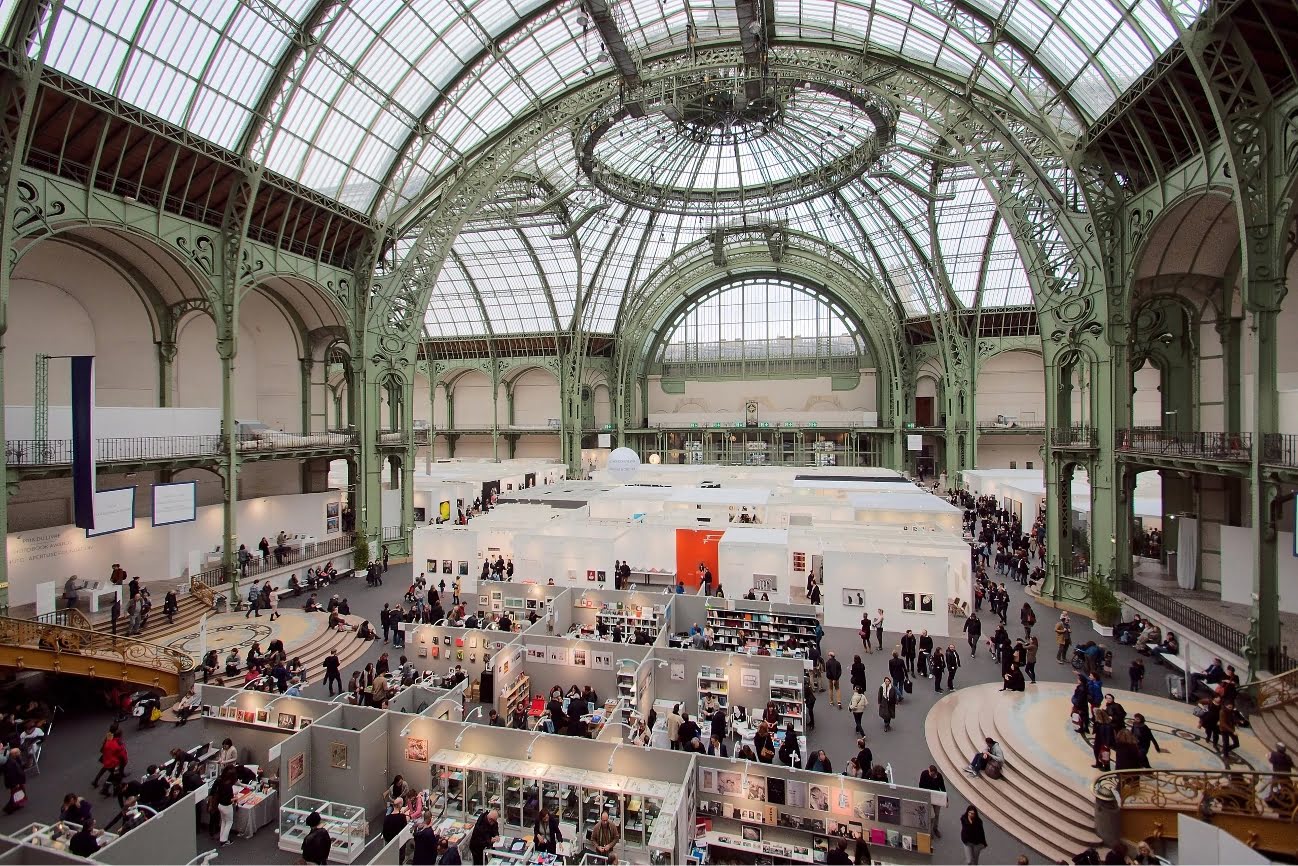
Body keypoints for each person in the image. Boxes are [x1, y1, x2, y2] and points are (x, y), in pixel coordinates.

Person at [918, 765, 946, 837]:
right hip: (928, 797)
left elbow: (942, 787)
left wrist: (945, 798)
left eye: (932, 774)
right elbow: (920, 786)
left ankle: (935, 829)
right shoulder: (924, 774)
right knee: (931, 815)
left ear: (935, 773)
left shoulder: (939, 776)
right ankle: (930, 831)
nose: (930, 774)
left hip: (936, 797)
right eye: (930, 773)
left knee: (937, 814)